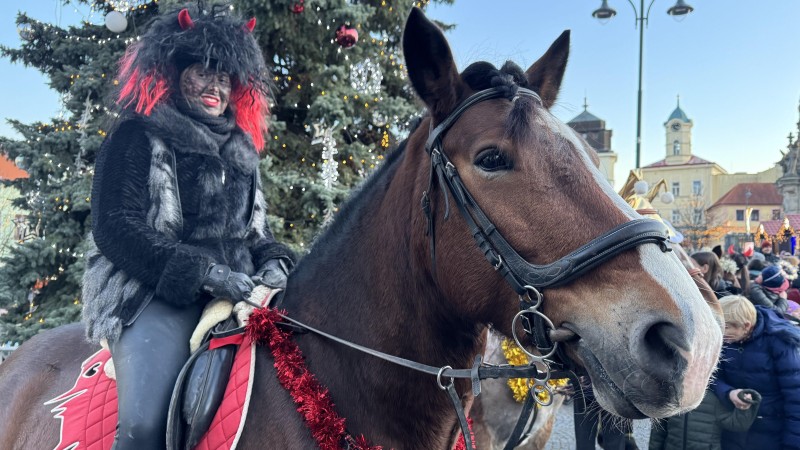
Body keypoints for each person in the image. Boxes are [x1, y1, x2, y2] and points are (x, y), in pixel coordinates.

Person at [80, 6, 294, 449]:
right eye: (202, 71)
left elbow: (255, 236)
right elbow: (115, 228)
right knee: (144, 427)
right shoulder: (137, 136)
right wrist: (206, 275)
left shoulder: (242, 154)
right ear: (175, 72)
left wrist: (276, 265)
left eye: (225, 76)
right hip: (151, 292)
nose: (216, 85)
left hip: (241, 290)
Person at [711, 295, 800, 450]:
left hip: (772, 430)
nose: (720, 332)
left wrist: (793, 444)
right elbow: (711, 377)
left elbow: (796, 397)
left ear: (745, 326)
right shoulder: (726, 339)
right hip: (735, 427)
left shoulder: (781, 342)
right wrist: (728, 393)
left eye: (726, 327)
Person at [648, 388, 762, 450]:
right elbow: (658, 431)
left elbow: (737, 424)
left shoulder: (714, 398)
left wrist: (744, 408)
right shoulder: (673, 394)